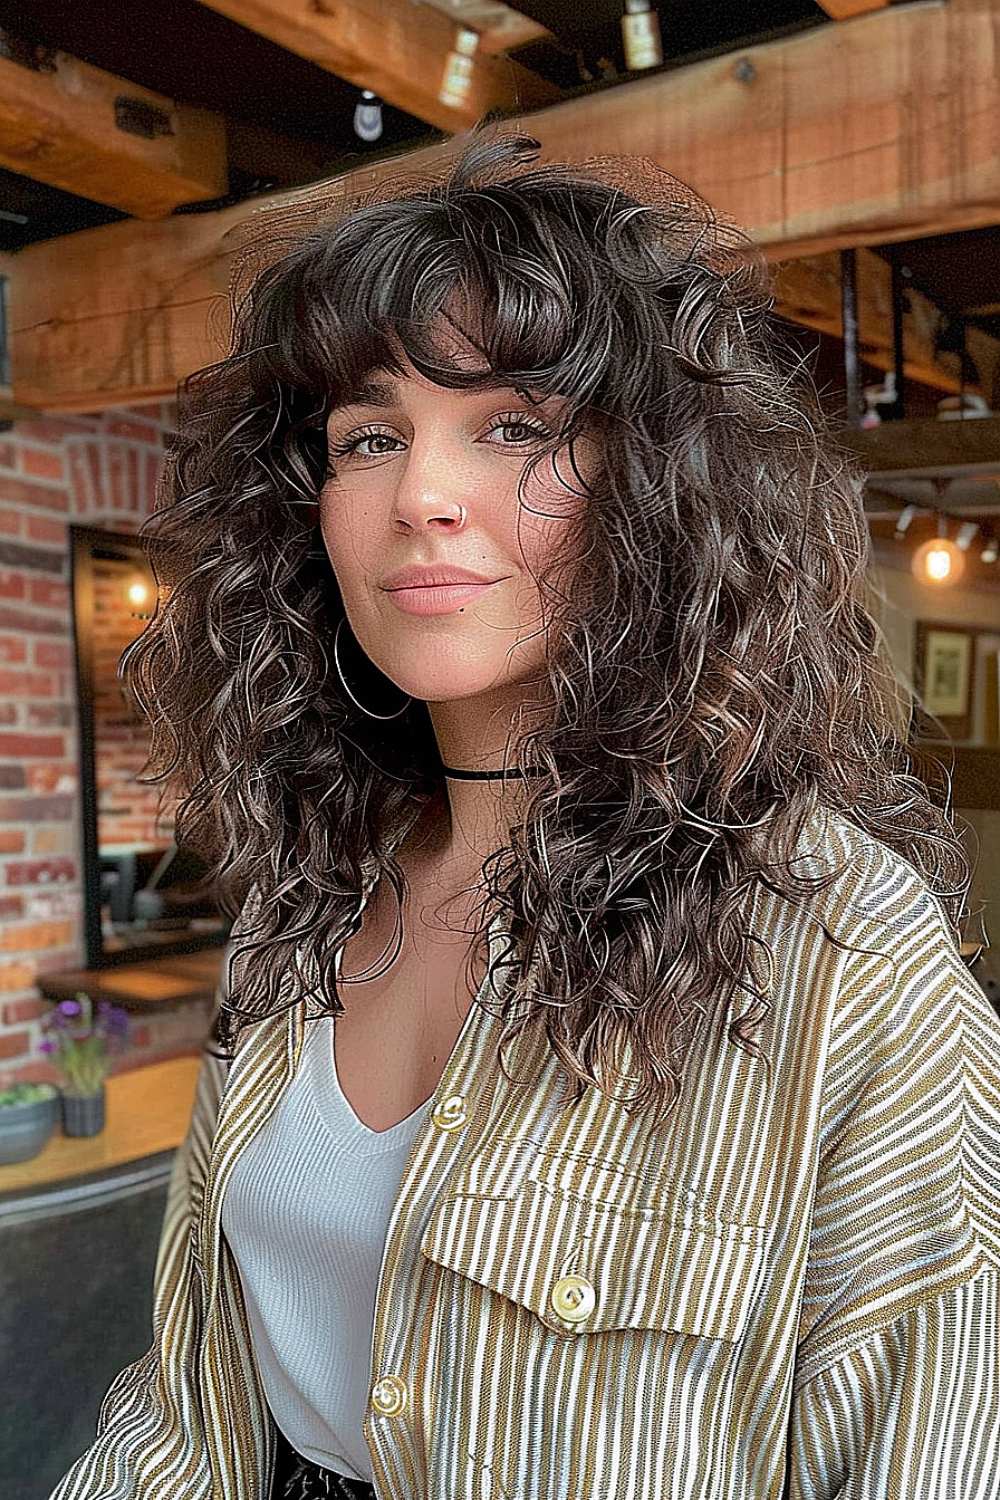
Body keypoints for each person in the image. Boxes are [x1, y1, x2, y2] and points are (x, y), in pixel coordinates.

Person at [52, 133, 999, 1500]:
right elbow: (198, 1399)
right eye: (367, 437)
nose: (420, 497)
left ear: (656, 490)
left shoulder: (840, 949)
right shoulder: (304, 902)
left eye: (515, 428)